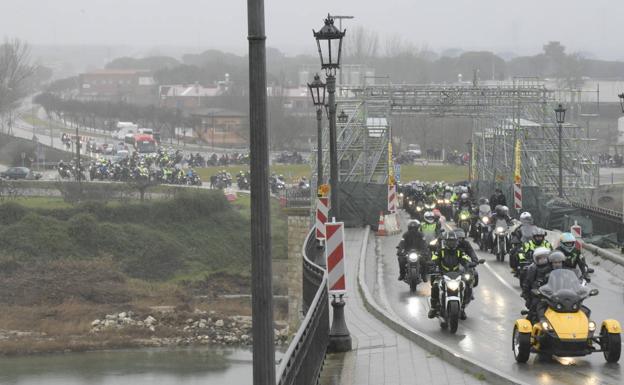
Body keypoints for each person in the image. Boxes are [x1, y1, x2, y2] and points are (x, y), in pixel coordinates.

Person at [428, 231, 473, 320]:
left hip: (457, 276)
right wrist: (432, 265)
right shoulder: (441, 251)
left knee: (467, 285)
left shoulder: (459, 252)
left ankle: (463, 308)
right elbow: (434, 259)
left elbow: (465, 259)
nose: (451, 243)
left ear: (456, 242)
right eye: (449, 241)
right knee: (435, 286)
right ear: (445, 242)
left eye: (453, 241)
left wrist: (469, 264)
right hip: (442, 275)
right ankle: (433, 308)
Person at [520, 247, 552, 323]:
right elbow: (527, 283)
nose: (543, 260)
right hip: (538, 294)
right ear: (535, 259)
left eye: (545, 258)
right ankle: (530, 322)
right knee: (535, 306)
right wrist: (527, 295)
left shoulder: (552, 267)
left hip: (552, 292)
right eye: (540, 258)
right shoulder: (532, 268)